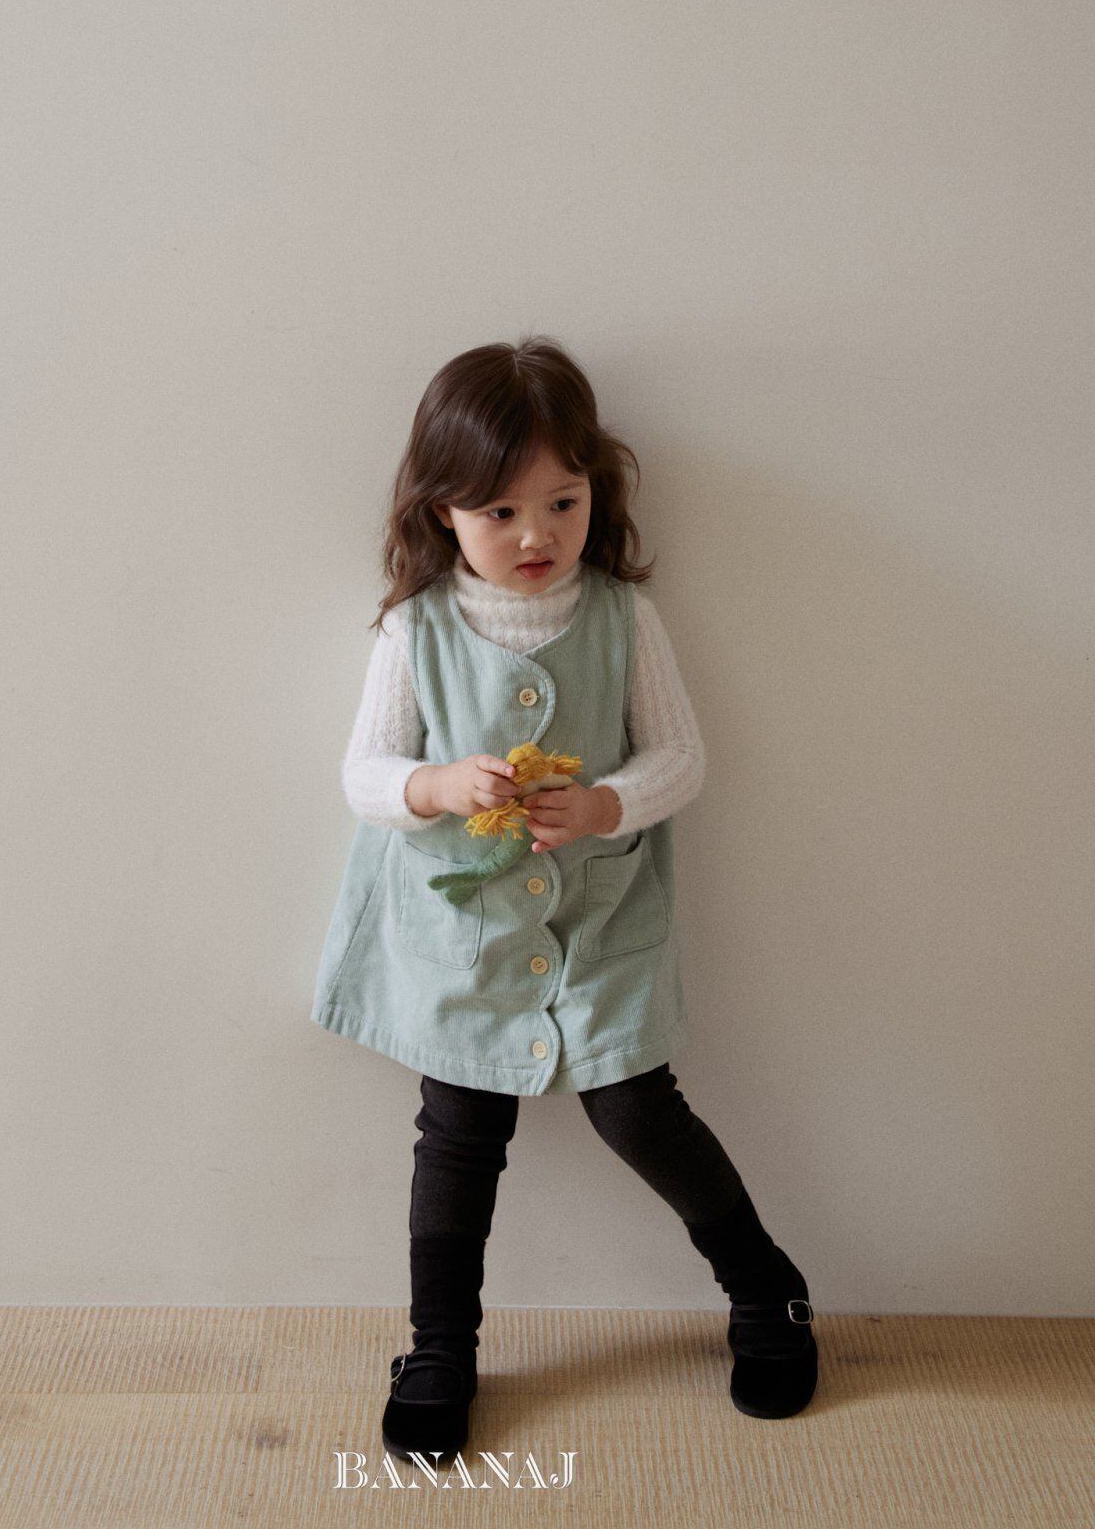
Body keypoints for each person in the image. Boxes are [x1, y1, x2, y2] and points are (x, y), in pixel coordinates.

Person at [311, 335, 817, 1461]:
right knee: (457, 1132)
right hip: (461, 932)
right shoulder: (415, 626)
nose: (535, 534)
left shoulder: (623, 618)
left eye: (561, 502)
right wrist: (437, 785)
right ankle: (438, 1345)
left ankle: (765, 1288)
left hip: (598, 918)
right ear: (442, 511)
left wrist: (600, 805)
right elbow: (364, 774)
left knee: (637, 1109)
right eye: (499, 511)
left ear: (598, 493)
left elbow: (680, 758)